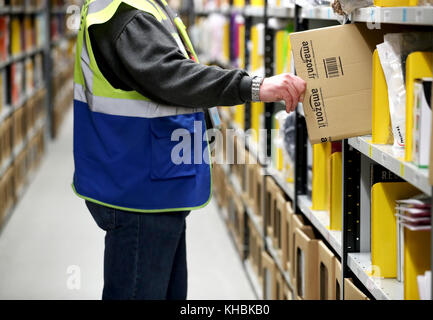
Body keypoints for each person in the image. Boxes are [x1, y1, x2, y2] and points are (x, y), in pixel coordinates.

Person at [72, 0, 306, 300]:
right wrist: (252, 86)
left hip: (150, 182)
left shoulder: (142, 6)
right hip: (140, 190)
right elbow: (171, 75)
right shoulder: (124, 13)